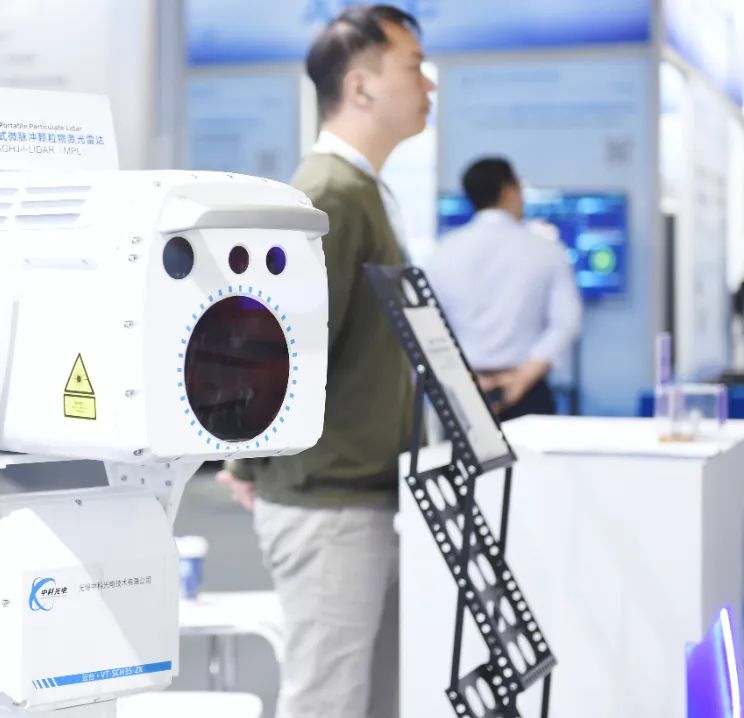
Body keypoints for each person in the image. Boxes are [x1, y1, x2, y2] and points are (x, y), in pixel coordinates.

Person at [217, 6, 435, 717]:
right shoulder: (330, 194)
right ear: (361, 86)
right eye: (413, 67)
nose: (429, 83)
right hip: (328, 502)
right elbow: (272, 344)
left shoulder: (360, 190)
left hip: (361, 495)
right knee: (327, 703)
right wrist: (246, 460)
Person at [424, 158, 582, 420]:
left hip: (464, 391)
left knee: (456, 450)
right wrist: (521, 380)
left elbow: (430, 325)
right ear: (509, 190)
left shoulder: (442, 252)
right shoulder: (546, 250)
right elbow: (566, 323)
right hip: (528, 392)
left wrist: (465, 377)